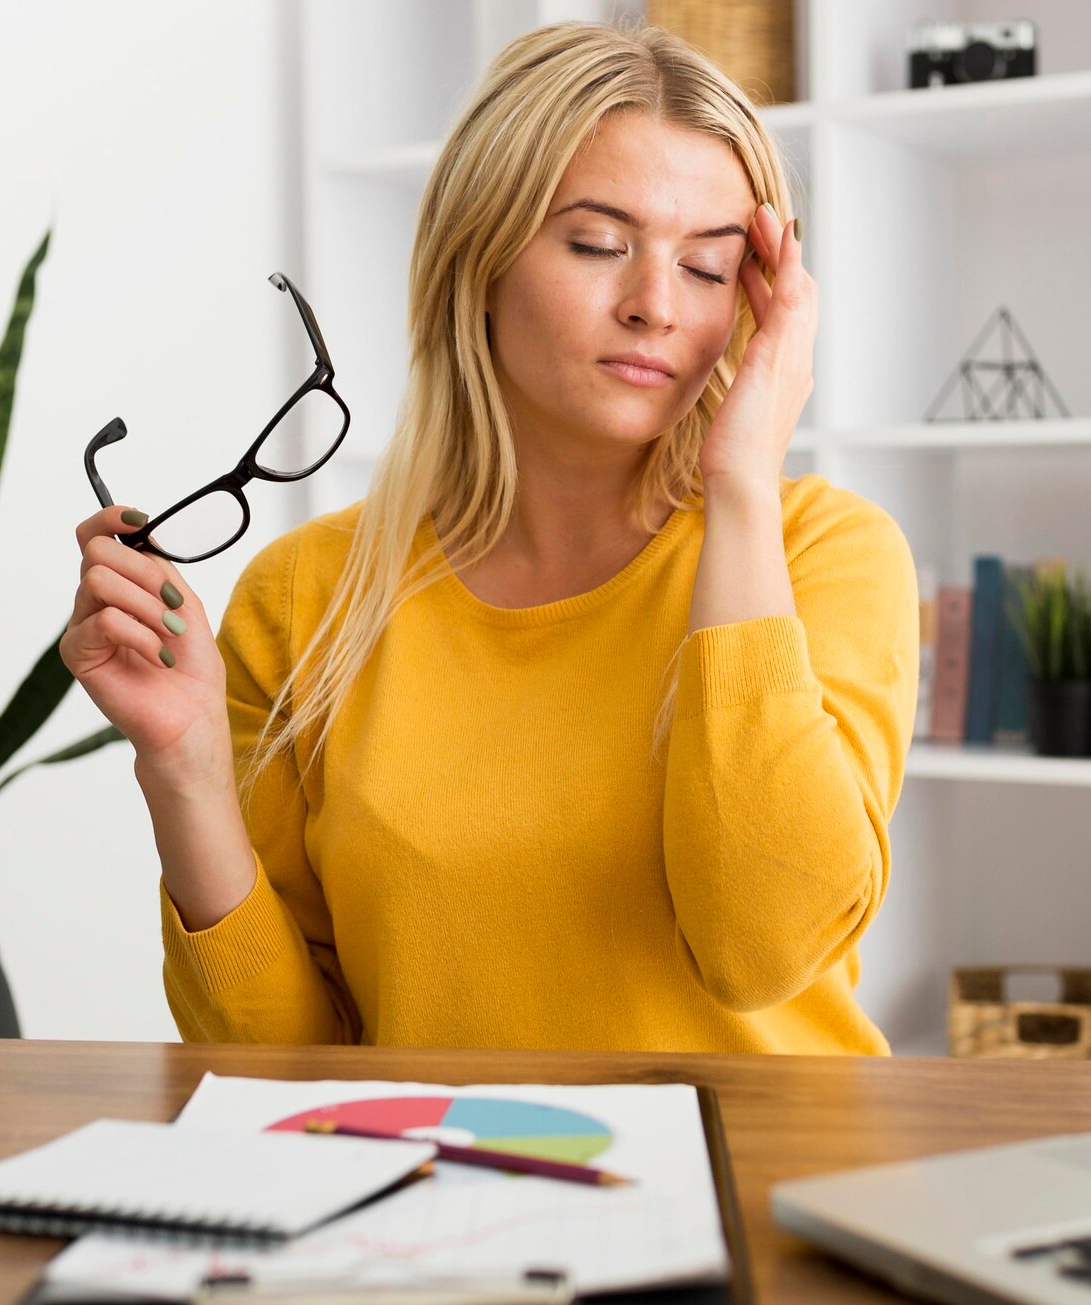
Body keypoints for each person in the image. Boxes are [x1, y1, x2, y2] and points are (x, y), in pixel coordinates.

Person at [60, 21, 919, 1055]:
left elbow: (761, 951)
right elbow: (281, 1063)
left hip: (751, 1197)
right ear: (480, 255)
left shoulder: (824, 554)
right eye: (598, 245)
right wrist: (183, 766)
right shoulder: (306, 595)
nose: (653, 305)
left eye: (705, 268)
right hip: (440, 1198)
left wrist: (738, 486)